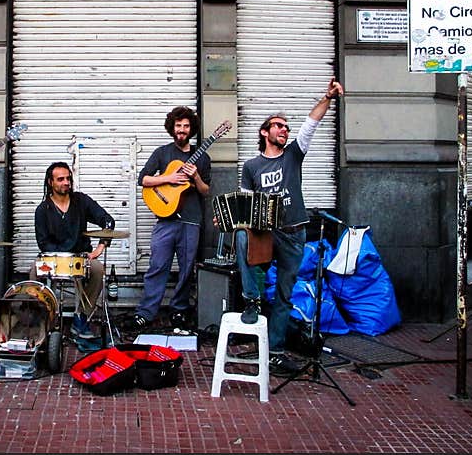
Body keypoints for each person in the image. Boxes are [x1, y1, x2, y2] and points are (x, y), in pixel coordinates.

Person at [234, 77, 344, 376]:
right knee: (242, 241)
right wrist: (232, 219)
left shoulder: (294, 154)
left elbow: (311, 123)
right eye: (278, 126)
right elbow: (245, 204)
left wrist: (328, 97)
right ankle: (251, 301)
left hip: (295, 232)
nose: (284, 130)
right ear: (265, 132)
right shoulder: (251, 167)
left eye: (285, 127)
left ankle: (277, 351)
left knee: (284, 294)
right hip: (267, 232)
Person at [132, 106, 211, 332]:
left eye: (186, 126)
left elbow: (206, 191)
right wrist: (169, 178)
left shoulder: (202, 157)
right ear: (172, 128)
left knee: (187, 269)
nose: (182, 130)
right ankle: (146, 312)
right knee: (157, 266)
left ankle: (179, 310)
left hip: (191, 220)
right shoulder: (162, 153)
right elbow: (143, 179)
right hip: (165, 219)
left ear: (191, 129)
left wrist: (195, 176)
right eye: (178, 126)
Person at [32, 161, 114, 340]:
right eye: (60, 179)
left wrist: (101, 246)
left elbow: (108, 221)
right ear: (50, 182)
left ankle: (81, 317)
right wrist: (61, 258)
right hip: (54, 258)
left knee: (98, 269)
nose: (66, 182)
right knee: (34, 271)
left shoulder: (81, 200)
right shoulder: (42, 210)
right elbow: (43, 243)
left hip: (81, 257)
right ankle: (42, 319)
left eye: (68, 178)